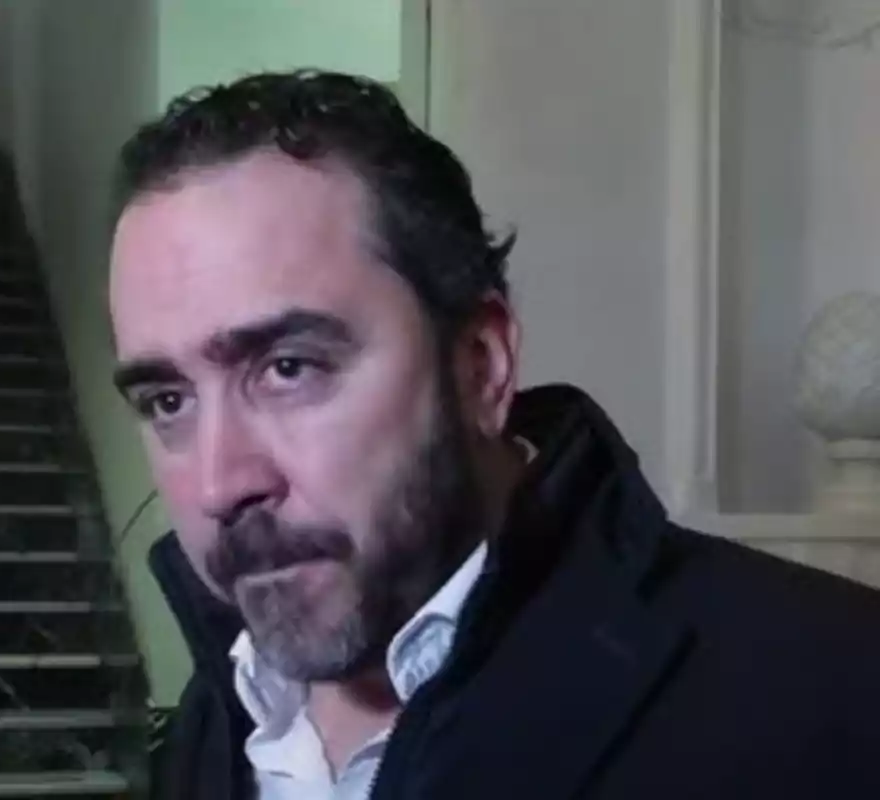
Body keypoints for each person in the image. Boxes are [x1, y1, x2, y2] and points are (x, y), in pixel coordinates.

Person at [107, 70, 880, 799]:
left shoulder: (835, 693)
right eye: (168, 401)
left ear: (481, 366)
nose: (218, 484)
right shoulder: (213, 724)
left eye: (288, 368)